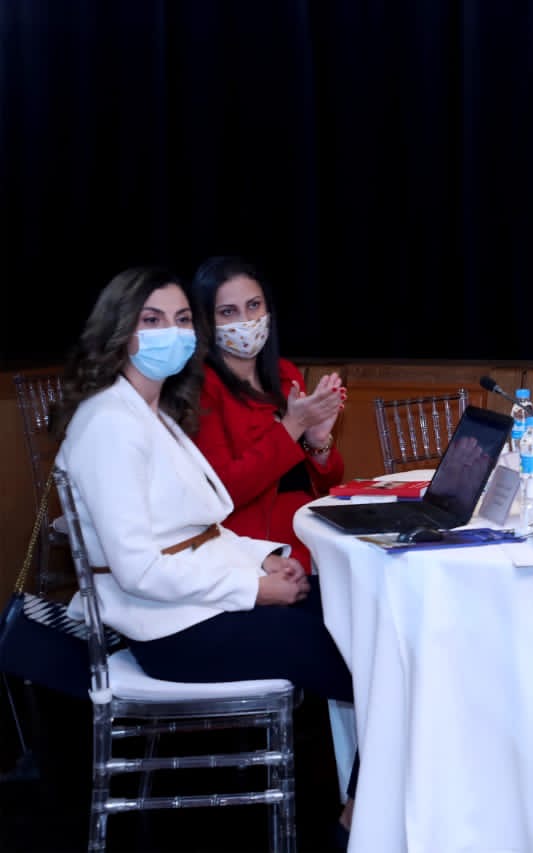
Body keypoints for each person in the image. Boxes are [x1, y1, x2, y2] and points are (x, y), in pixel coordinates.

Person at [54, 267, 356, 824]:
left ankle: (362, 810)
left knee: (364, 622)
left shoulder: (150, 413)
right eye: (151, 320)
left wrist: (264, 560)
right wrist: (253, 589)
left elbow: (196, 529)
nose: (170, 333)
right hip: (172, 631)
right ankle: (359, 817)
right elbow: (139, 569)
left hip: (195, 608)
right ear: (120, 331)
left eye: (180, 320)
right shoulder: (109, 424)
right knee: (372, 657)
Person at [191, 256, 345, 573]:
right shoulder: (202, 388)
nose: (246, 321)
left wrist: (318, 442)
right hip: (256, 552)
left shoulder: (285, 374)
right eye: (228, 312)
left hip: (311, 533)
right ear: (206, 320)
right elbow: (223, 492)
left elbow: (326, 482)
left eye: (254, 306)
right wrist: (292, 426)